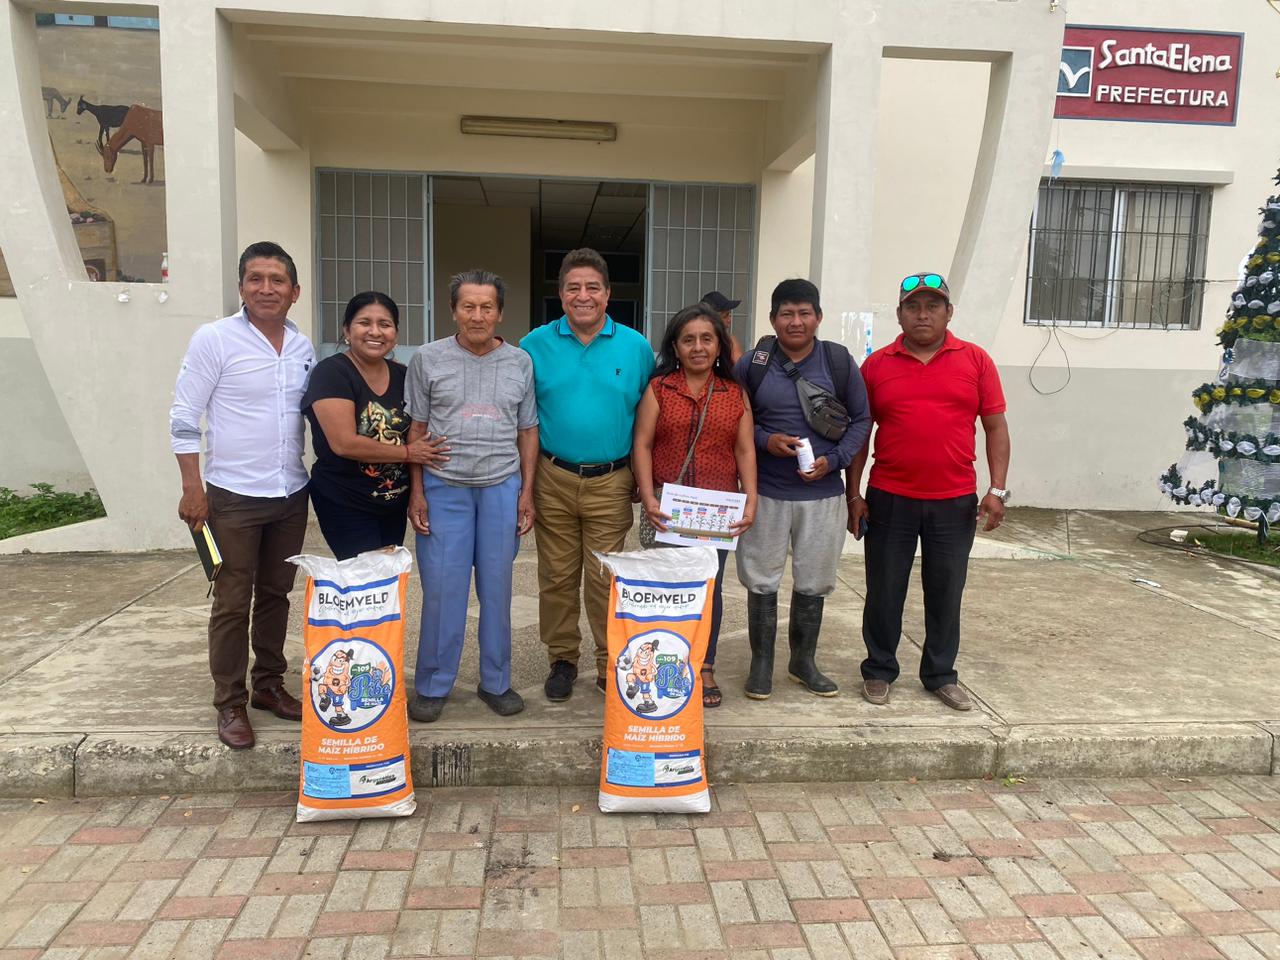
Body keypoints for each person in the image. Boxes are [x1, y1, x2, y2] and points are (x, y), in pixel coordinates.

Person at [170, 241, 314, 750]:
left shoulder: (303, 347)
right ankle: (229, 701)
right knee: (232, 600)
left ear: (294, 292)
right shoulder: (214, 339)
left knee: (277, 594)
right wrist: (193, 488)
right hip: (232, 495)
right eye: (256, 279)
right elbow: (184, 417)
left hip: (290, 492)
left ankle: (268, 685)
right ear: (241, 287)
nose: (266, 288)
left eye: (277, 280)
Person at [846, 272, 1010, 711]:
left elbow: (995, 427)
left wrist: (997, 489)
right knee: (884, 590)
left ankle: (939, 675)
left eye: (933, 306)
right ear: (899, 315)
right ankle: (879, 669)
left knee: (946, 591)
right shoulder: (877, 366)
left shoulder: (976, 361)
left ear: (948, 313)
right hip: (889, 498)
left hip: (954, 501)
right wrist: (854, 494)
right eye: (913, 307)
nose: (923, 315)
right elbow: (860, 435)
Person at [403, 269, 538, 722]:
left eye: (486, 307)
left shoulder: (519, 362)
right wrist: (417, 492)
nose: (477, 316)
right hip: (444, 487)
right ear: (453, 311)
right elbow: (417, 429)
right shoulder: (428, 358)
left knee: (497, 591)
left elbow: (527, 430)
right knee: (443, 592)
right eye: (468, 307)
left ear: (499, 313)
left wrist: (527, 492)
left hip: (501, 486)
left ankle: (496, 681)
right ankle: (433, 683)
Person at [521, 248, 655, 701]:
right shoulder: (533, 345)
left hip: (612, 481)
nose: (583, 296)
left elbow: (647, 418)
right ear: (561, 295)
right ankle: (562, 659)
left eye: (593, 287)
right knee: (557, 577)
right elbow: (523, 419)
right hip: (552, 476)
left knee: (604, 577)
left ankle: (607, 660)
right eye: (573, 287)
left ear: (608, 294)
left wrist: (643, 477)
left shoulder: (635, 347)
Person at [733, 278, 871, 700]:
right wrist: (765, 440)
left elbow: (862, 420)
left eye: (804, 313)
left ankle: (802, 662)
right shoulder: (754, 363)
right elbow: (734, 418)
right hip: (766, 492)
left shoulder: (838, 361)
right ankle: (761, 664)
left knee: (814, 580)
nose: (796, 321)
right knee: (761, 580)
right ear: (773, 319)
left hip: (823, 495)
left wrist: (836, 459)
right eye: (786, 314)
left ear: (818, 317)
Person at [632, 303, 758, 708]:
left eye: (707, 339)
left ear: (720, 345)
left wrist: (751, 499)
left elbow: (744, 450)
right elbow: (642, 444)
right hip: (667, 511)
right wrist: (647, 496)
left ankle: (704, 665)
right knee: (668, 590)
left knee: (708, 591)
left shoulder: (734, 394)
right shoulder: (659, 389)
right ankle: (668, 666)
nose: (698, 347)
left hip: (715, 513)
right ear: (675, 346)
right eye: (688, 340)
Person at [301, 291, 447, 560]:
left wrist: (417, 492)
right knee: (366, 578)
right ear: (347, 330)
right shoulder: (332, 373)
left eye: (385, 324)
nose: (375, 331)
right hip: (346, 501)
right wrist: (408, 453)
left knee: (387, 577)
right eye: (364, 323)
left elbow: (417, 431)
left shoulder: (403, 375)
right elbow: (344, 443)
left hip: (393, 501)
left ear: (395, 333)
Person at [700, 290, 745, 363]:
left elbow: (739, 367)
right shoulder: (729, 342)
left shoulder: (729, 342)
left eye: (729, 315)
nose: (729, 320)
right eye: (725, 316)